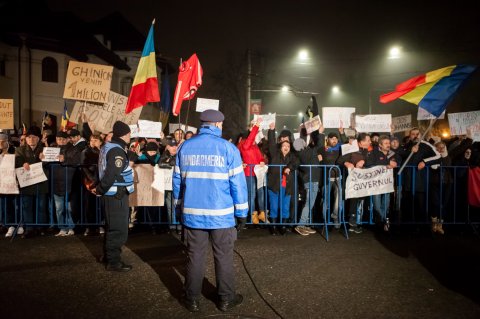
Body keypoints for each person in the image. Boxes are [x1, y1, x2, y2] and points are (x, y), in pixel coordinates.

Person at [173, 109, 248, 312]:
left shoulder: (185, 147)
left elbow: (178, 183)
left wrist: (178, 210)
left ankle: (192, 299)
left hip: (192, 214)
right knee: (223, 256)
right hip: (221, 215)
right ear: (217, 125)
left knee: (195, 256)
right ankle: (226, 299)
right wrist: (241, 213)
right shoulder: (228, 149)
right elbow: (238, 185)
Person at [94, 121, 134, 272]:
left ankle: (108, 256)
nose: (130, 136)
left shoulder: (108, 147)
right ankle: (114, 262)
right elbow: (111, 174)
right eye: (129, 133)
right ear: (124, 134)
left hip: (111, 194)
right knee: (118, 229)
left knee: (111, 227)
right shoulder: (117, 150)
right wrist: (101, 189)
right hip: (115, 194)